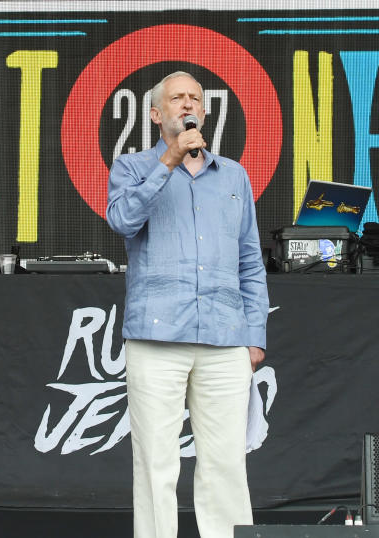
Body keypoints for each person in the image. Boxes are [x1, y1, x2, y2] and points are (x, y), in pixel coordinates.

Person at [106, 70, 269, 538]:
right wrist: (170, 161)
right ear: (156, 114)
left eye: (194, 97)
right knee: (156, 464)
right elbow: (122, 220)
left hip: (225, 336)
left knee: (225, 466)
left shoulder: (233, 175)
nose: (186, 103)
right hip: (157, 335)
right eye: (175, 98)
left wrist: (254, 333)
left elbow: (249, 261)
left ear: (204, 109)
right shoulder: (133, 167)